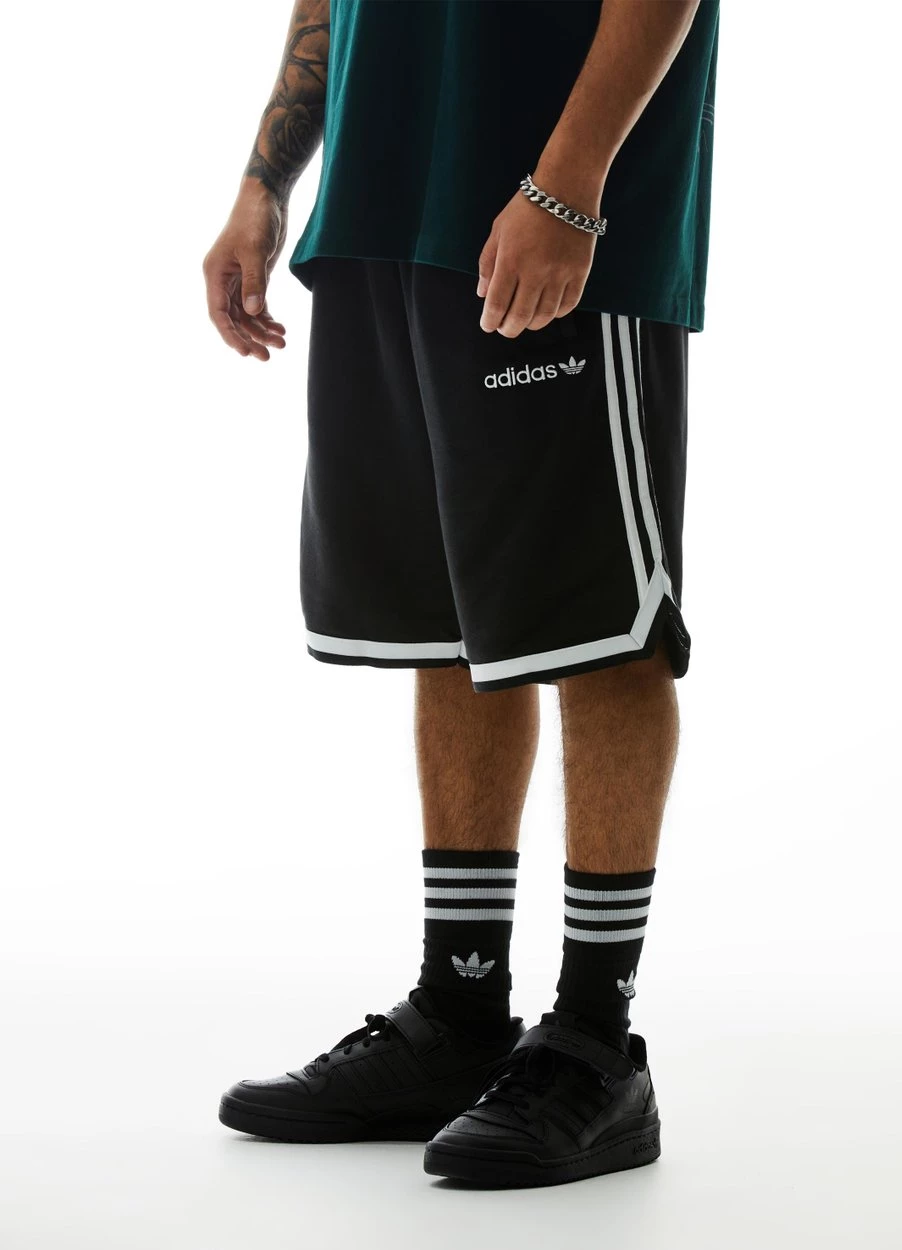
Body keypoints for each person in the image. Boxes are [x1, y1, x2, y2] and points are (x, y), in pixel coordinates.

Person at [202, 0, 718, 1188]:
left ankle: (596, 1040)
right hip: (384, 205)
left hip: (551, 205)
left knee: (599, 627)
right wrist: (265, 181)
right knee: (446, 622)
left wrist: (568, 186)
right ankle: (460, 1009)